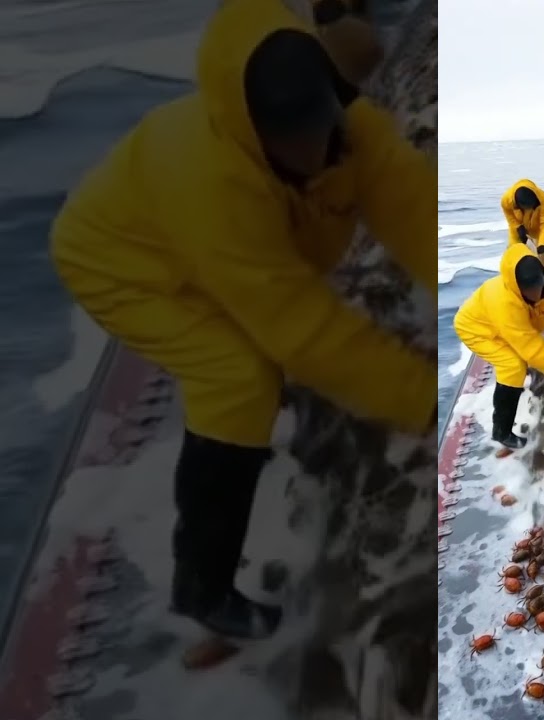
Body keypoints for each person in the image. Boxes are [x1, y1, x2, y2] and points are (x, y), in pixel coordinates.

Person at [48, 0, 436, 642]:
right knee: (236, 378)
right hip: (119, 259)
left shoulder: (350, 130)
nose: (313, 148)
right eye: (289, 135)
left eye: (319, 122)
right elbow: (303, 332)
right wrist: (426, 403)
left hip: (196, 244)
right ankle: (202, 587)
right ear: (252, 129)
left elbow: (418, 215)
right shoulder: (214, 183)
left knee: (265, 339)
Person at [454, 244, 544, 449]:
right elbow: (533, 349)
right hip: (476, 328)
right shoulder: (505, 303)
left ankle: (517, 388)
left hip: (501, 325)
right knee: (512, 366)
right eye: (529, 289)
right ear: (517, 287)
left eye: (538, 285)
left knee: (523, 358)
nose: (536, 292)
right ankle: (501, 431)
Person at [501, 180, 544, 252]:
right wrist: (518, 227)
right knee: (515, 251)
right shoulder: (506, 200)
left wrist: (543, 244)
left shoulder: (541, 199)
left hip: (539, 230)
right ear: (519, 205)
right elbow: (510, 217)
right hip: (518, 231)